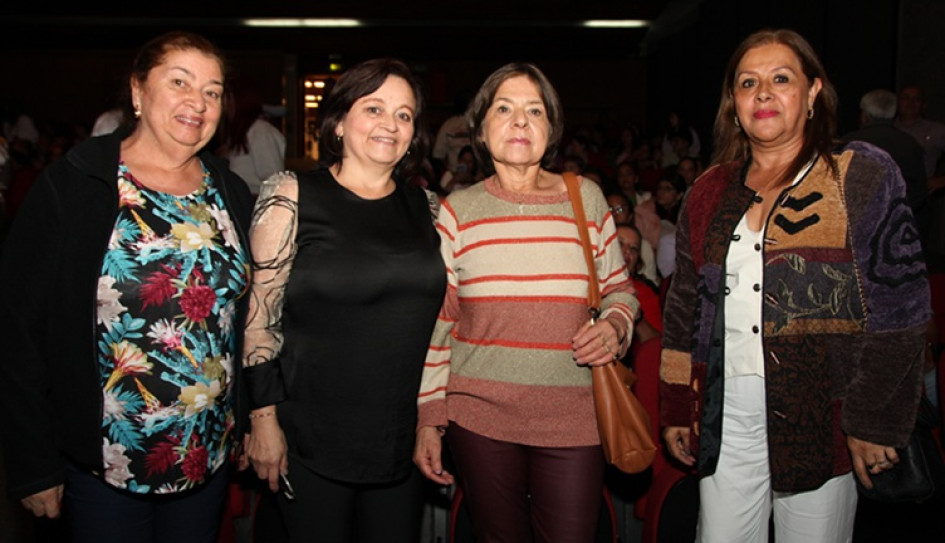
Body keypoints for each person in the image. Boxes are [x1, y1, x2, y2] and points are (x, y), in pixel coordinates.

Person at [659, 28, 930, 543]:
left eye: (780, 79)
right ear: (733, 104)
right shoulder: (708, 190)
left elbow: (901, 310)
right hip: (724, 411)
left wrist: (873, 420)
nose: (762, 92)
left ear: (812, 93)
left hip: (821, 417)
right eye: (748, 83)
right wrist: (677, 405)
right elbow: (684, 308)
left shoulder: (860, 176)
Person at [0, 31, 256, 542]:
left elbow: (241, 320)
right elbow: (17, 327)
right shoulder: (76, 185)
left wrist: (245, 418)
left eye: (212, 91)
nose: (198, 102)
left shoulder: (229, 192)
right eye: (179, 82)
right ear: (138, 91)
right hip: (106, 461)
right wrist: (33, 463)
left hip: (205, 453)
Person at [413, 62, 639, 542]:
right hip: (479, 417)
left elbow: (620, 290)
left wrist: (616, 326)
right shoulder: (458, 211)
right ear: (480, 129)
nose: (520, 120)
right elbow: (441, 322)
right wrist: (429, 419)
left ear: (551, 129)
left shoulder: (586, 198)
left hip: (575, 415)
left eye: (534, 110)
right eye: (504, 109)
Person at [240, 57, 446, 543]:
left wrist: (431, 422)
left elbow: (444, 328)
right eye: (374, 108)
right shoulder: (290, 195)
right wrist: (262, 420)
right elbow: (259, 319)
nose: (390, 124)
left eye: (403, 114)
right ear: (338, 122)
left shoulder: (430, 209)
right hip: (308, 436)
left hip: (400, 439)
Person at [840, 89, 926, 215]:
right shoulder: (910, 144)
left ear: (864, 115)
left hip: (857, 219)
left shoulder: (849, 142)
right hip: (899, 217)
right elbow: (920, 191)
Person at [216, 73, 286, 197]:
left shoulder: (261, 131)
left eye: (227, 97)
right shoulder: (240, 131)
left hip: (252, 201)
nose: (223, 104)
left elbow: (274, 180)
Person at [616, 223, 662, 344]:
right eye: (619, 243)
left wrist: (638, 317)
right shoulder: (584, 282)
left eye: (633, 248)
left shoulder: (643, 292)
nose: (627, 251)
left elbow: (655, 345)